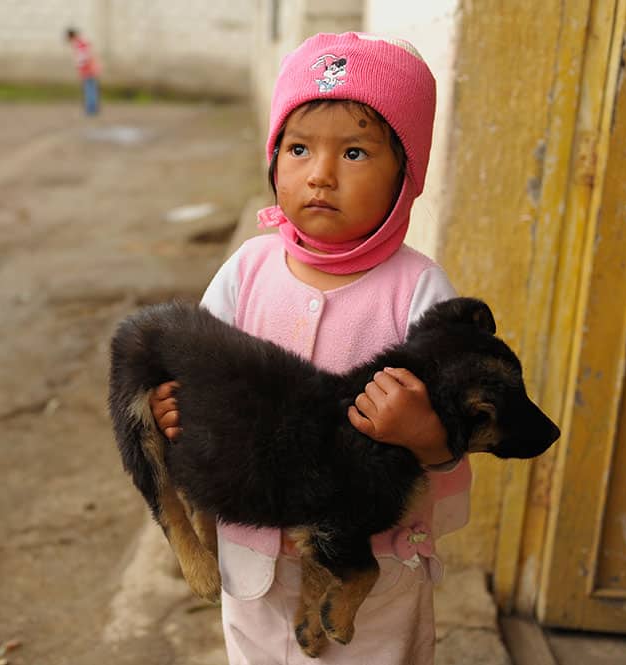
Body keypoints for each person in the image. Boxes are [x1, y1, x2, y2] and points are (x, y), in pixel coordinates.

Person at [149, 32, 473, 664]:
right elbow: (196, 373)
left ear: (406, 175)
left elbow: (460, 431)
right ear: (274, 159)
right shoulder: (247, 271)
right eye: (298, 149)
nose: (320, 175)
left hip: (371, 567)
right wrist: (175, 411)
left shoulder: (421, 291)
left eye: (354, 152)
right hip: (255, 555)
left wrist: (426, 433)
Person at [65, 27, 100, 116]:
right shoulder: (82, 42)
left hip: (87, 69)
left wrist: (79, 66)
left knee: (89, 89)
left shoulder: (78, 44)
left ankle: (90, 109)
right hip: (91, 68)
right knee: (92, 88)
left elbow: (83, 57)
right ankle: (93, 108)